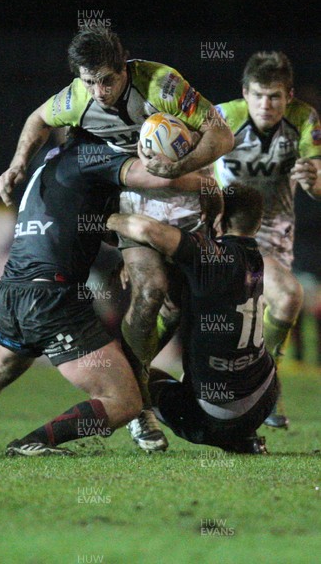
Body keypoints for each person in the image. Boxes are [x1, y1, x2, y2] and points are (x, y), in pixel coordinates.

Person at [0, 27, 234, 451]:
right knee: (151, 289)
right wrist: (16, 165)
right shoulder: (78, 97)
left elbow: (221, 135)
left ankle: (154, 391)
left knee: (177, 308)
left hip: (184, 195)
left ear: (124, 68)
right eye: (90, 81)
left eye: (107, 79)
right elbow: (38, 119)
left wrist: (180, 168)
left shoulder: (162, 84)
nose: (100, 91)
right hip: (133, 201)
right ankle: (138, 409)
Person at [0, 135, 205, 455]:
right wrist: (209, 180)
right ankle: (32, 443)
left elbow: (82, 223)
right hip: (51, 299)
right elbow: (153, 176)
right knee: (123, 402)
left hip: (12, 290)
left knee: (4, 363)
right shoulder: (92, 154)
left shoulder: (53, 162)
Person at [106, 183, 276, 454]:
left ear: (218, 219)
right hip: (265, 400)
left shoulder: (213, 258)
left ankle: (223, 433)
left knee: (126, 377)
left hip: (213, 419)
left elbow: (147, 229)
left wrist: (107, 218)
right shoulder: (255, 258)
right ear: (256, 225)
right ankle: (244, 434)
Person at [211, 52, 321, 427]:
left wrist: (313, 182)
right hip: (226, 230)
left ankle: (259, 391)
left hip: (274, 236)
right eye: (258, 95)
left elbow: (319, 184)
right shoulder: (223, 117)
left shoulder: (305, 120)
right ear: (245, 92)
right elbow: (193, 165)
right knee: (284, 298)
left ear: (289, 95)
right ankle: (144, 391)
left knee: (268, 311)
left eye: (274, 96)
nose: (265, 104)